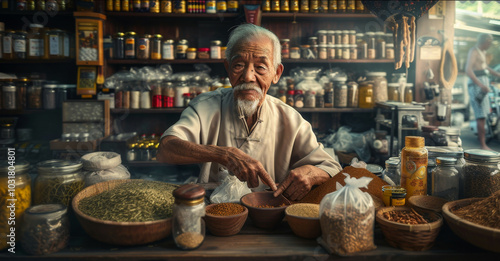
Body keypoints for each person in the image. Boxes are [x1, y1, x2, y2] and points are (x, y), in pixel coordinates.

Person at [157, 23, 342, 201]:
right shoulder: (205, 107)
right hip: (216, 213)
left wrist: (310, 173)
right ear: (228, 68)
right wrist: (224, 154)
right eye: (238, 65)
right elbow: (166, 149)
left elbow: (331, 167)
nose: (248, 76)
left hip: (271, 215)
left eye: (260, 67)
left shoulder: (291, 119)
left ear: (276, 73)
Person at [466, 33, 500, 151]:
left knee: (484, 115)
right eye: (489, 42)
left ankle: (483, 143)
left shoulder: (483, 52)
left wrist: (497, 74)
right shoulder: (474, 51)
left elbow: (485, 67)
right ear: (484, 41)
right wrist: (481, 85)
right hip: (477, 86)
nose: (490, 44)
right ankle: (482, 145)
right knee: (480, 115)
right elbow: (468, 70)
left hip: (483, 85)